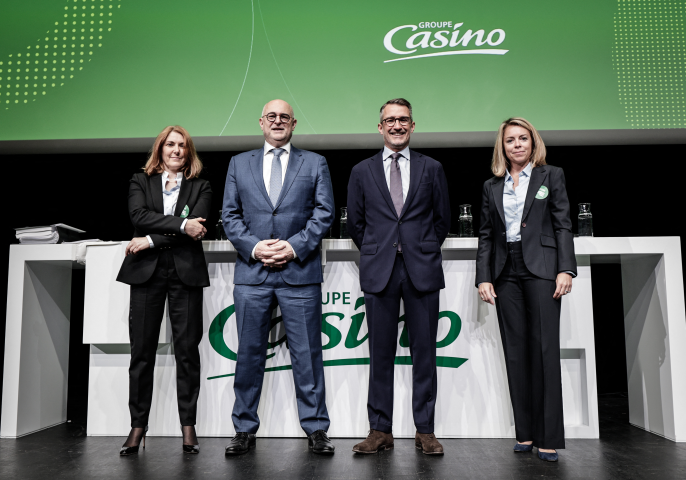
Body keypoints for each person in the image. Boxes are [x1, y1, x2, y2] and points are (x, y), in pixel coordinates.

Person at [222, 99, 336, 456]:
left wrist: (293, 246)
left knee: (308, 355)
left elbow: (324, 212)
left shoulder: (315, 163)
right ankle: (243, 430)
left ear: (293, 123)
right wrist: (256, 248)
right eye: (271, 116)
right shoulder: (239, 164)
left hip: (299, 271)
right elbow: (229, 214)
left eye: (284, 117)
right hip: (253, 272)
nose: (277, 121)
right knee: (249, 355)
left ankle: (316, 430)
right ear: (261, 122)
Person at [347, 98, 451, 455]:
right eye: (389, 120)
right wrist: (382, 249)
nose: (396, 125)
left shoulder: (432, 167)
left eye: (403, 119)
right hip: (380, 272)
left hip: (421, 270)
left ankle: (425, 430)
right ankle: (380, 430)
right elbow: (356, 225)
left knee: (425, 353)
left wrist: (418, 248)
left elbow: (442, 221)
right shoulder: (362, 171)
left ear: (412, 125)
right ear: (380, 127)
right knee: (380, 354)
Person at [475, 117, 577, 462]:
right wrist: (483, 277)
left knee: (544, 350)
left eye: (522, 139)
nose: (516, 145)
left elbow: (563, 224)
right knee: (516, 352)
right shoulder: (493, 185)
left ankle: (548, 437)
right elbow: (487, 234)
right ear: (501, 147)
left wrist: (566, 268)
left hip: (543, 268)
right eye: (509, 141)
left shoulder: (552, 175)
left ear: (533, 142)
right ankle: (526, 433)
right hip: (506, 270)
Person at [116, 125, 212, 455]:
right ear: (160, 149)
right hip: (146, 274)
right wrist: (182, 225)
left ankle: (188, 427)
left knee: (187, 353)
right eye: (170, 144)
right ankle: (137, 427)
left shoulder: (202, 186)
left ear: (189, 152)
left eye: (182, 146)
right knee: (141, 354)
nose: (176, 150)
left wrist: (153, 239)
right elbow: (139, 216)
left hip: (185, 273)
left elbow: (197, 229)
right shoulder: (139, 181)